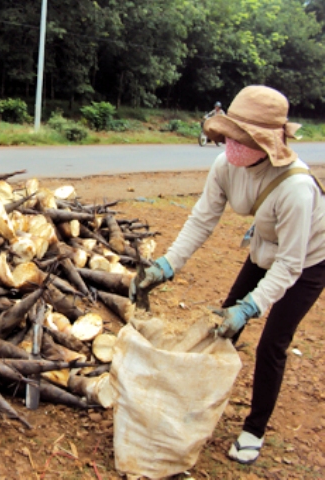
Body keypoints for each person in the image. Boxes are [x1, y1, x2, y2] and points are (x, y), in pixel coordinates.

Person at [131, 85, 325, 465]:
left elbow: (289, 264)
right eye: (229, 133)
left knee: (272, 344)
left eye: (242, 137)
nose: (230, 143)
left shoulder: (297, 189)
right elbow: (202, 219)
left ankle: (254, 429)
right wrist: (168, 265)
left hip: (307, 262)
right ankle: (202, 401)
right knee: (222, 324)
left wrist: (250, 307)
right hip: (264, 249)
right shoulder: (225, 166)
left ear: (266, 142)